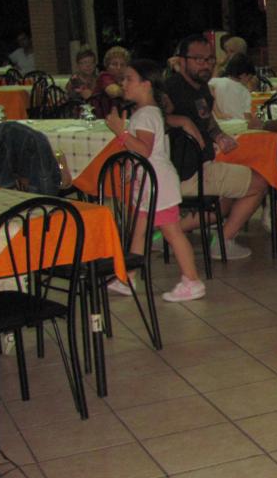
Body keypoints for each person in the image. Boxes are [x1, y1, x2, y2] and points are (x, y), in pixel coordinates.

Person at [105, 59, 205, 302]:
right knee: (139, 232)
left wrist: (121, 132)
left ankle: (192, 280)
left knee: (172, 232)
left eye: (129, 79)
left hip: (157, 184)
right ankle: (128, 277)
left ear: (146, 84)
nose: (124, 83)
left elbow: (144, 149)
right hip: (150, 184)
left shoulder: (146, 114)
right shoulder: (147, 112)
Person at [164, 34, 267, 260]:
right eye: (198, 59)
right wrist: (182, 121)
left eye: (209, 59)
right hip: (185, 173)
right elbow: (150, 116)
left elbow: (206, 116)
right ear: (181, 61)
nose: (205, 64)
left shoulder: (200, 87)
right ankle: (222, 242)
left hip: (202, 166)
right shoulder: (171, 89)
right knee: (260, 183)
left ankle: (170, 232)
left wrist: (219, 136)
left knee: (229, 197)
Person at [209, 53, 256, 120]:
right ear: (243, 75)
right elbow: (247, 116)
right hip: (240, 123)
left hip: (220, 123)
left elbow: (208, 88)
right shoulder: (244, 91)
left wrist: (218, 113)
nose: (249, 81)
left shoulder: (216, 82)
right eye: (249, 78)